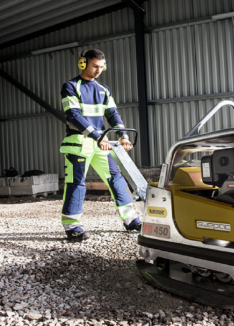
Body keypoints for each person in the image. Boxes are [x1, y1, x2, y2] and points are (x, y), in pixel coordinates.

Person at [59, 49, 142, 241]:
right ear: (83, 63)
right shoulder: (71, 86)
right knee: (76, 183)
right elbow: (73, 115)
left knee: (116, 178)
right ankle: (72, 226)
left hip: (99, 143)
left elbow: (113, 114)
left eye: (101, 67)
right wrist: (98, 136)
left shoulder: (103, 89)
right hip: (79, 143)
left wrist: (123, 135)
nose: (98, 70)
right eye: (94, 66)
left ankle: (131, 219)